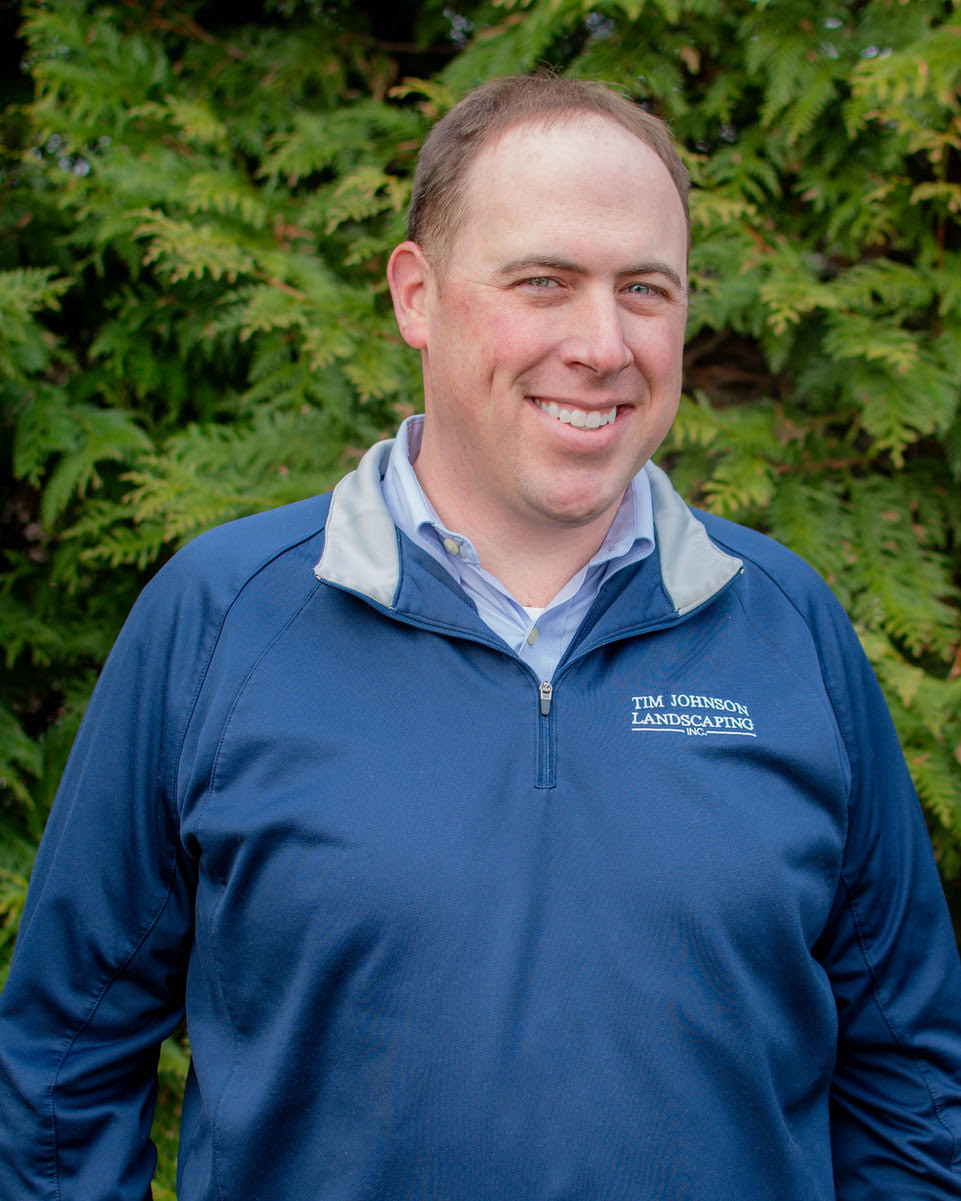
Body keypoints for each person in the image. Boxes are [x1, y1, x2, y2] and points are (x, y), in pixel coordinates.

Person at [1, 74, 960, 1201]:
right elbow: (62, 1064)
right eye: (543, 281)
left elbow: (910, 1079)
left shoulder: (784, 624)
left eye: (644, 289)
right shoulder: (223, 617)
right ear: (416, 295)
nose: (602, 344)